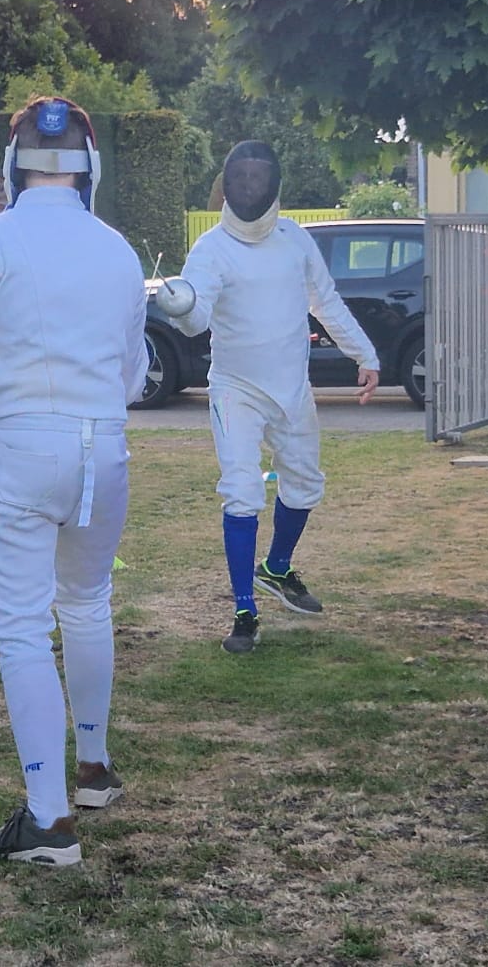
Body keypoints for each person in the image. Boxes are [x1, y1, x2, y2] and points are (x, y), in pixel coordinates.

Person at [0, 96, 149, 866]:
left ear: (12, 167)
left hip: (21, 441)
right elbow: (135, 373)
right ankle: (95, 769)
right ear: (91, 167)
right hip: (102, 445)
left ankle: (49, 821)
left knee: (20, 627)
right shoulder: (118, 249)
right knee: (87, 601)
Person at [162, 140, 379, 654]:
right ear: (226, 185)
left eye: (258, 178)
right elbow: (197, 317)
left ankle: (276, 568)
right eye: (240, 178)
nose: (249, 187)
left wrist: (364, 354)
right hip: (235, 389)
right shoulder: (211, 249)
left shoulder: (294, 240)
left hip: (292, 388)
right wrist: (182, 305)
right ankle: (244, 610)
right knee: (242, 491)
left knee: (304, 487)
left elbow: (325, 301)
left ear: (275, 184)